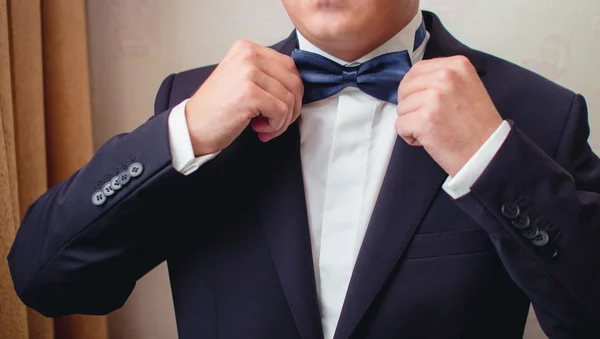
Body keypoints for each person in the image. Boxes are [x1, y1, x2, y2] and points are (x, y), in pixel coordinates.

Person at [7, 0, 600, 338]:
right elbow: (44, 281)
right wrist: (180, 135)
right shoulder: (192, 104)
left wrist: (492, 159)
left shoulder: (536, 115)